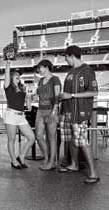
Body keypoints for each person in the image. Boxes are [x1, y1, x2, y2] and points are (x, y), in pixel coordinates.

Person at [58, 45, 100, 184]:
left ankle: (94, 173)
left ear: (71, 56)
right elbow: (67, 95)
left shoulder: (87, 71)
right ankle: (74, 164)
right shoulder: (71, 72)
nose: (66, 61)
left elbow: (94, 92)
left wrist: (72, 95)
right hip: (68, 111)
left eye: (66, 58)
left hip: (79, 113)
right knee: (70, 139)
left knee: (82, 141)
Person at [3, 60, 35, 169]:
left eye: (19, 75)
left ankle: (21, 157)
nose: (18, 76)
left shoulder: (22, 88)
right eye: (15, 75)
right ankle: (13, 161)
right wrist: (8, 63)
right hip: (11, 115)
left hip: (21, 116)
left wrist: (28, 99)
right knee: (12, 139)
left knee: (31, 137)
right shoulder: (8, 87)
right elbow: (6, 74)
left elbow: (29, 107)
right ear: (11, 77)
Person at [34, 59, 61, 171]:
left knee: (51, 138)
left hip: (51, 110)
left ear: (46, 67)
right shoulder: (40, 81)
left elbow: (57, 97)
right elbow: (38, 94)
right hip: (40, 111)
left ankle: (51, 162)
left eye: (39, 68)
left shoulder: (55, 79)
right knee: (39, 136)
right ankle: (46, 158)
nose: (38, 70)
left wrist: (54, 113)